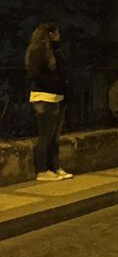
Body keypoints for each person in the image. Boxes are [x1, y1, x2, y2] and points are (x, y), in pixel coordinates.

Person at [25, 23, 72, 181]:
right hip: (44, 97)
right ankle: (42, 170)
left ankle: (54, 167)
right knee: (46, 136)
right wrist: (56, 83)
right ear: (51, 34)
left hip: (55, 97)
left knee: (54, 136)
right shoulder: (39, 52)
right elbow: (35, 74)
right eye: (57, 33)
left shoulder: (53, 52)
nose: (60, 37)